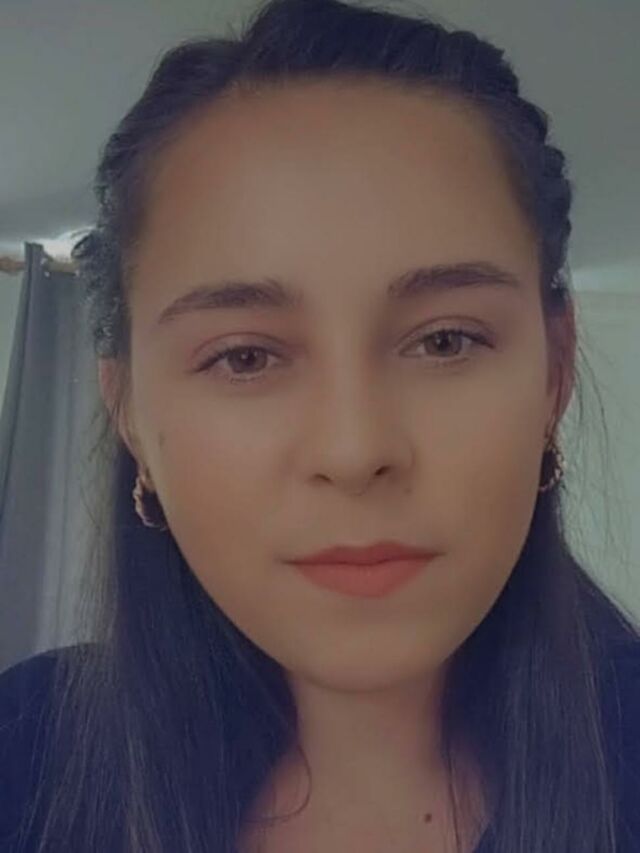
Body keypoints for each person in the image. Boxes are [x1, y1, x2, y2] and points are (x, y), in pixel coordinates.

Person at [1, 0, 639, 851]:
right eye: (245, 357)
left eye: (446, 340)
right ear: (130, 413)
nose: (354, 449)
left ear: (554, 371)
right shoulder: (25, 753)